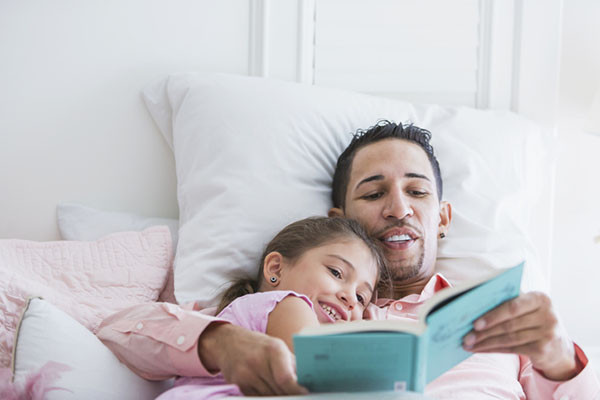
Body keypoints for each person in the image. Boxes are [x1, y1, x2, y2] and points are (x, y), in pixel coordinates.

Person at [98, 121, 600, 398]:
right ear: (343, 217)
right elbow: (117, 330)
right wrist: (221, 344)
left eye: (417, 192)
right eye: (374, 192)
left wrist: (559, 359)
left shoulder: (501, 316)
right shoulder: (299, 304)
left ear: (442, 218)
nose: (399, 208)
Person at [154, 216, 386, 399]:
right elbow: (311, 377)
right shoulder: (289, 302)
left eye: (361, 297)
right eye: (336, 272)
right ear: (276, 269)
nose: (350, 298)